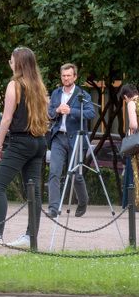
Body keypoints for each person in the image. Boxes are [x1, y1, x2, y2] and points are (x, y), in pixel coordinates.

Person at [0, 47, 48, 249]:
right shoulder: (38, 86)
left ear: (19, 63)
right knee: (33, 191)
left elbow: (6, 118)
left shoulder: (14, 85)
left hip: (20, 142)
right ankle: (30, 237)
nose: (10, 62)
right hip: (39, 141)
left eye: (12, 59)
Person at [46, 64, 95, 218]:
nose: (66, 78)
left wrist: (71, 111)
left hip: (76, 138)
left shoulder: (82, 94)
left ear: (75, 77)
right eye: (63, 75)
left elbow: (91, 113)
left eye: (69, 75)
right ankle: (54, 208)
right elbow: (49, 113)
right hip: (58, 137)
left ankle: (83, 201)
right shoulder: (56, 93)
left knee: (76, 174)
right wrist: (57, 111)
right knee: (54, 172)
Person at [118, 84, 138, 209]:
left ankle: (133, 204)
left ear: (126, 96)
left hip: (137, 145)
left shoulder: (132, 102)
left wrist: (130, 134)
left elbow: (134, 125)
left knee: (133, 172)